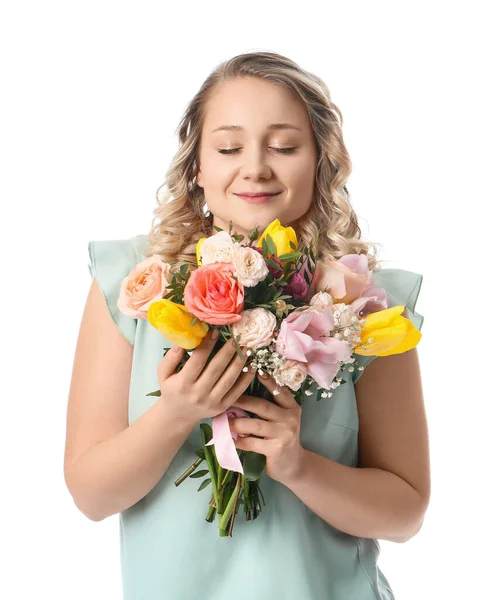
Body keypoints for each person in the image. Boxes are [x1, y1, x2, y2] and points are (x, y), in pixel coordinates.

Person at [64, 51, 430, 600]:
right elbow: (91, 496)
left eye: (284, 147)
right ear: (198, 166)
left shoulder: (364, 304)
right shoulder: (133, 285)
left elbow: (405, 515)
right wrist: (176, 413)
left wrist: (297, 466)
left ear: (321, 163)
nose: (255, 167)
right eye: (229, 147)